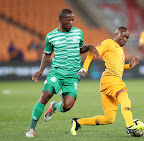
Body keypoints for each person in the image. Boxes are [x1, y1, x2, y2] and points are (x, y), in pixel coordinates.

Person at [25, 9, 99, 137]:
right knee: (45, 95)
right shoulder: (51, 36)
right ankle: (31, 129)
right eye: (68, 20)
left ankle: (54, 107)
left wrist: (90, 46)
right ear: (60, 20)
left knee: (67, 106)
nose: (71, 23)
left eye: (72, 20)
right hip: (57, 72)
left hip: (72, 75)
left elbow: (81, 48)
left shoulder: (78, 32)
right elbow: (47, 55)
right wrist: (41, 71)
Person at [71, 26, 144, 136]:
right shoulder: (109, 43)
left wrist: (129, 66)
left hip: (108, 82)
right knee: (125, 98)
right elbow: (92, 53)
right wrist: (85, 67)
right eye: (123, 36)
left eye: (127, 38)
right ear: (116, 34)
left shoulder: (120, 50)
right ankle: (130, 126)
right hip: (111, 79)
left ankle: (78, 122)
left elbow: (118, 67)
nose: (125, 39)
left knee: (109, 119)